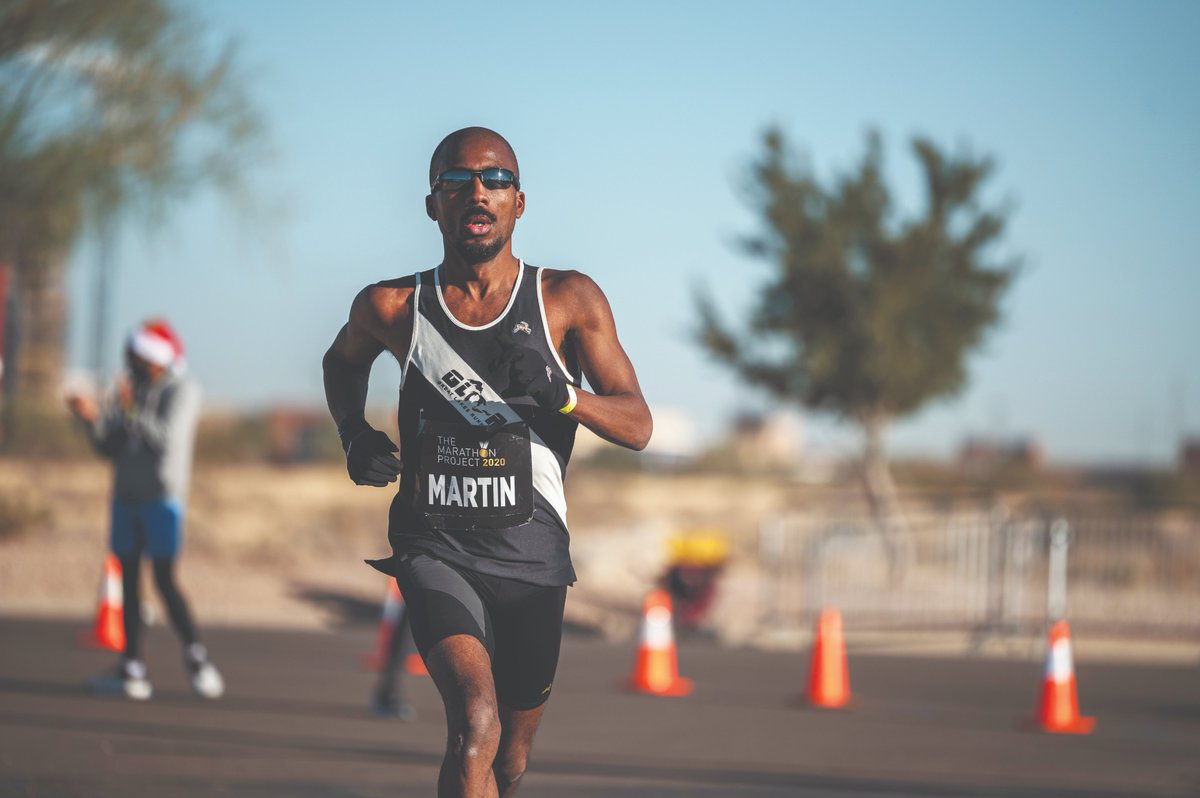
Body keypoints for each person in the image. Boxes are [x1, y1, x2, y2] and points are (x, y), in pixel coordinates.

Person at [323, 127, 651, 797]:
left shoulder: (566, 300)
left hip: (533, 559)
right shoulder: (393, 305)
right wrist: (353, 433)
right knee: (475, 721)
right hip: (434, 547)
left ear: (518, 202)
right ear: (432, 204)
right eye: (457, 180)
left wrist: (565, 397)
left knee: (510, 759)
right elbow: (341, 362)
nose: (478, 191)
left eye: (496, 179)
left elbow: (638, 424)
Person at [68, 318, 223, 701]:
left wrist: (130, 408)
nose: (130, 363)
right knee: (129, 583)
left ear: (155, 358)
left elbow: (165, 439)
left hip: (161, 498)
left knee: (165, 581)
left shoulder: (182, 391)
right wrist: (90, 420)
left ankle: (198, 660)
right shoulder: (130, 391)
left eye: (136, 356)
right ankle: (132, 669)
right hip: (125, 499)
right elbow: (110, 447)